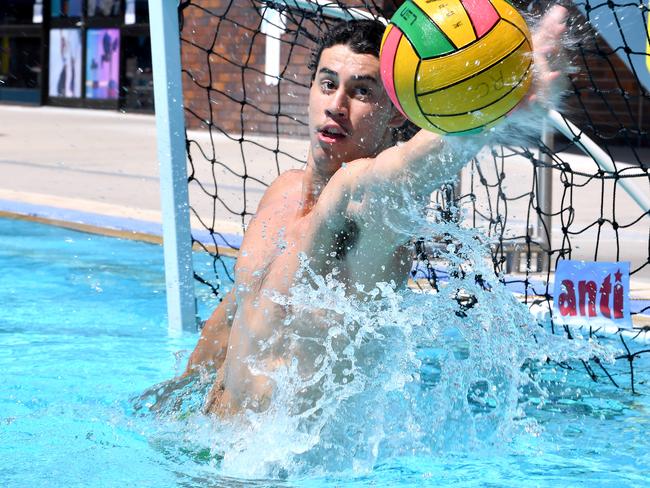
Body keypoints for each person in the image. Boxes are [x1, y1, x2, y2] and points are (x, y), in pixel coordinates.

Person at [183, 7, 568, 416]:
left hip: (272, 475)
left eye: (362, 91)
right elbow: (236, 312)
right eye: (328, 84)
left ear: (397, 111)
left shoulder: (362, 207)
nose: (337, 104)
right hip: (208, 446)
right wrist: (177, 397)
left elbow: (404, 172)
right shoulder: (282, 191)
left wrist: (492, 109)